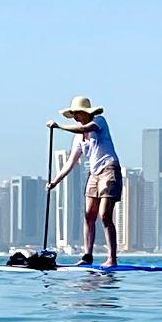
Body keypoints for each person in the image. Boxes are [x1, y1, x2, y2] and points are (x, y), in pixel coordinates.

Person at [46, 95, 120, 267]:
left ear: (85, 113)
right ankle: (88, 256)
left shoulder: (99, 121)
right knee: (88, 215)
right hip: (93, 174)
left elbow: (88, 127)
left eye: (78, 114)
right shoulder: (78, 139)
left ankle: (112, 259)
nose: (76, 118)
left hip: (109, 169)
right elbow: (70, 163)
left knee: (105, 215)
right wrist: (54, 182)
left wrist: (59, 127)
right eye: (74, 115)